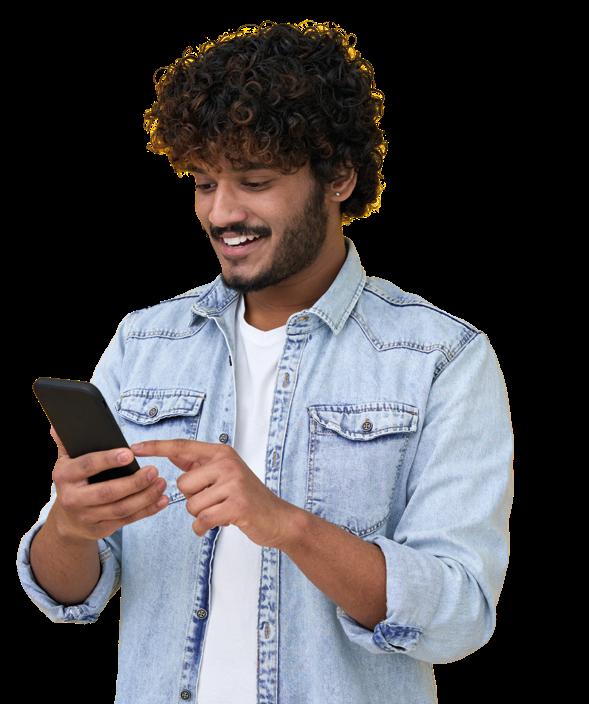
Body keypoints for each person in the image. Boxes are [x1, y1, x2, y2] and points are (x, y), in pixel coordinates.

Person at [17, 19, 514, 704]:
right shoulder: (144, 342)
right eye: (203, 183)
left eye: (253, 181)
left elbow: (459, 613)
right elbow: (67, 593)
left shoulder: (440, 358)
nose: (221, 213)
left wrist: (286, 524)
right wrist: (71, 528)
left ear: (338, 177)